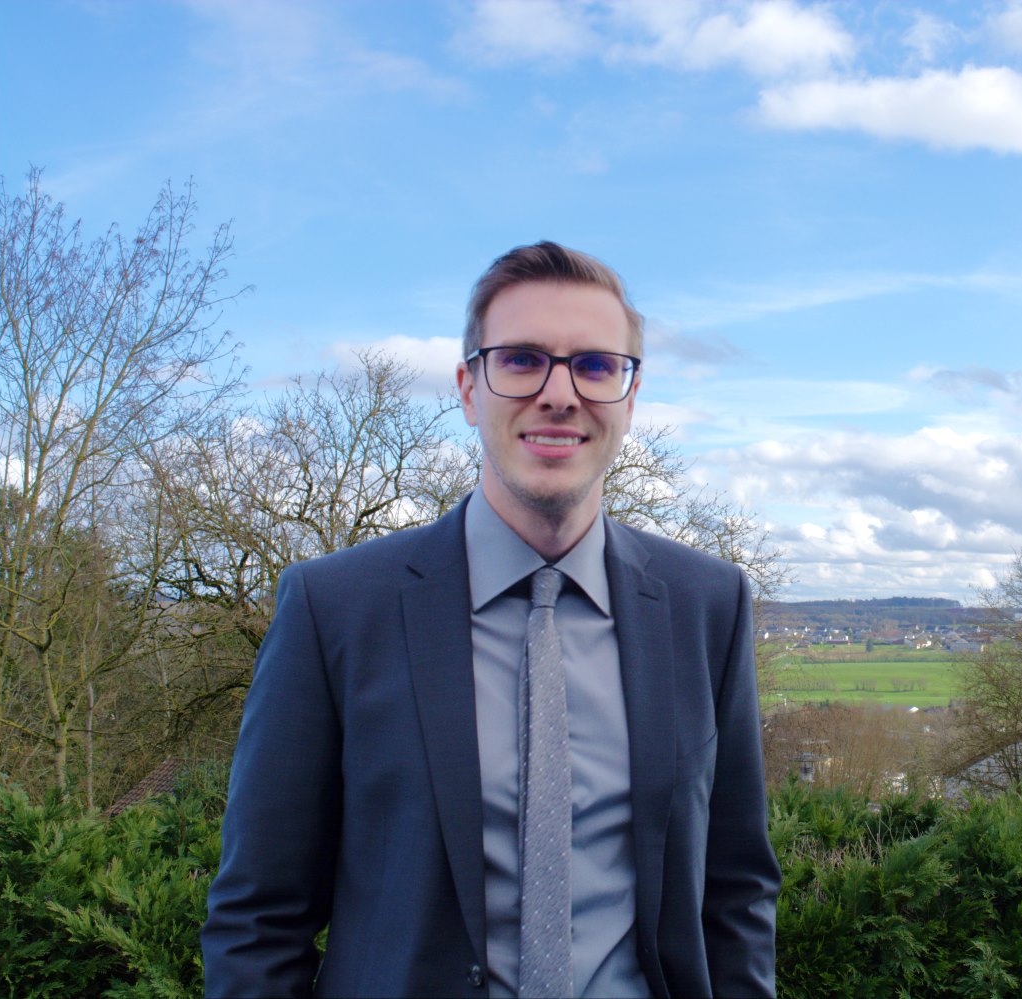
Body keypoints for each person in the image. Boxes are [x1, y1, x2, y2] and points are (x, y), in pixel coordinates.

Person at [202, 241, 780, 998]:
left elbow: (735, 894)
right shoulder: (335, 607)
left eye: (596, 366)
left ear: (630, 399)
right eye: (521, 359)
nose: (560, 393)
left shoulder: (708, 604)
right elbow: (258, 919)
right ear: (469, 388)